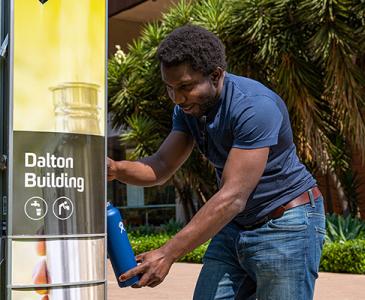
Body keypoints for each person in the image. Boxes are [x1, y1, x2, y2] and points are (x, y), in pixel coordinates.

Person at [107, 25, 326, 300]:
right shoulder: (188, 109)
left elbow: (233, 196)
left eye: (185, 87)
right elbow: (161, 165)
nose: (177, 98)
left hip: (285, 222)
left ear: (215, 74)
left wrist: (168, 252)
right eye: (170, 88)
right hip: (236, 224)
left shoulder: (254, 107)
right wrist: (115, 169)